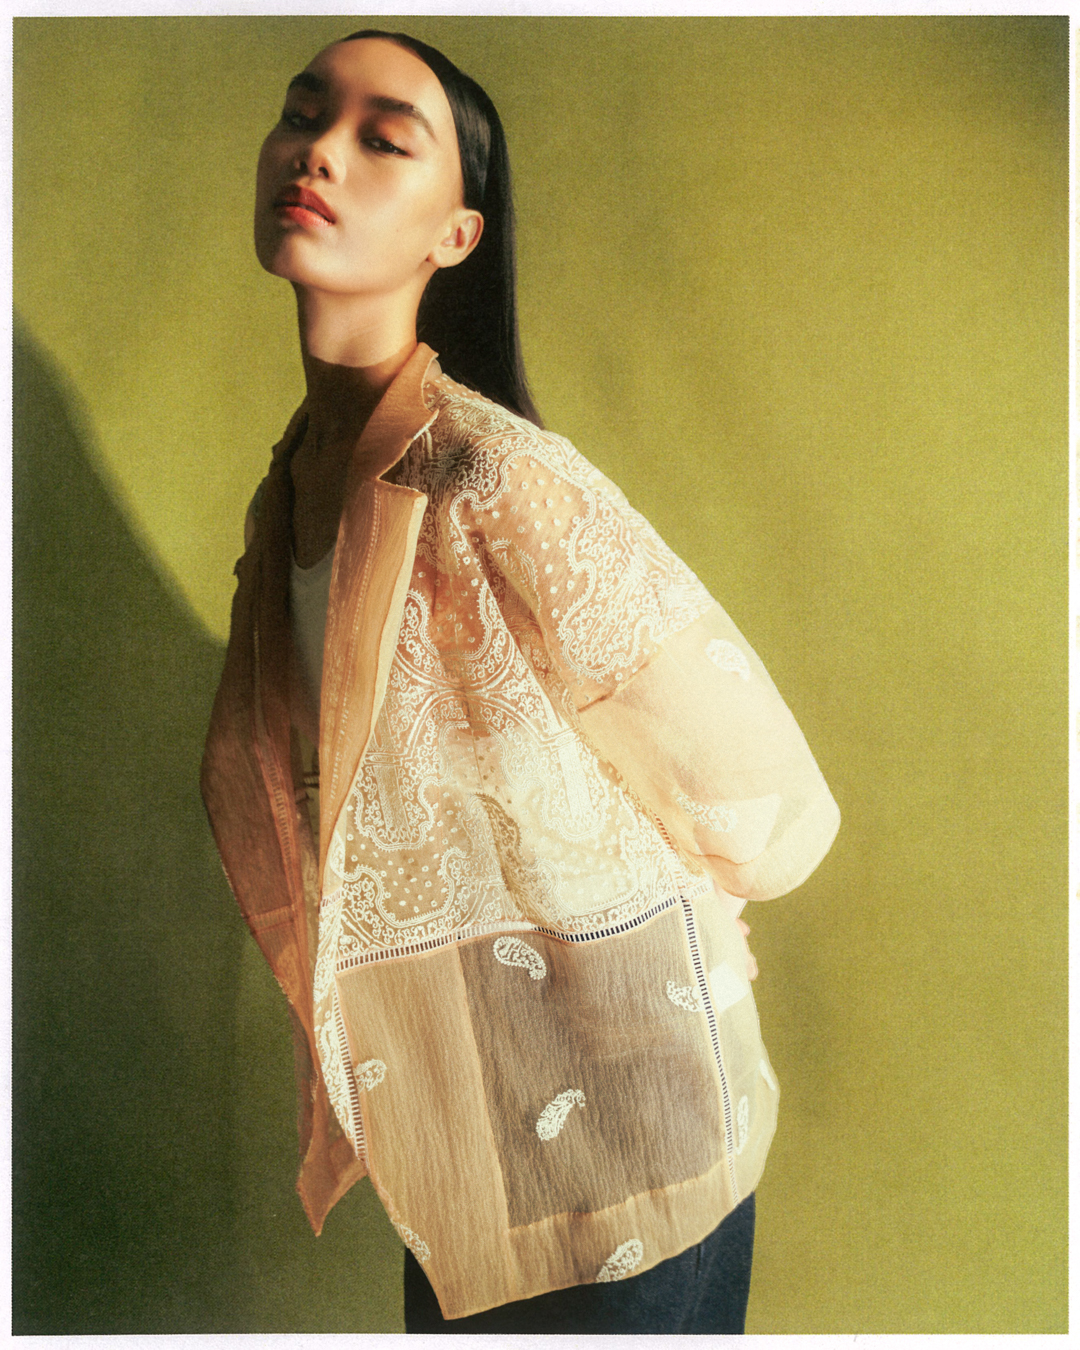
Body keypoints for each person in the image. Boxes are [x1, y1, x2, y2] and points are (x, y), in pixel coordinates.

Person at [201, 29, 840, 1334]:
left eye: (384, 138)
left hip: (630, 1121)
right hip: (459, 1145)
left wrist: (704, 917)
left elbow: (765, 801)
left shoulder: (488, 472)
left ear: (456, 235)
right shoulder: (292, 491)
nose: (319, 151)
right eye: (304, 114)